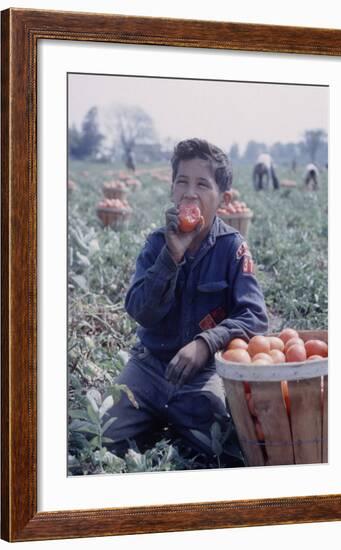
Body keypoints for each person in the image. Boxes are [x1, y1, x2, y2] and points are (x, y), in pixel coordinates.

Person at [105, 138, 268, 463]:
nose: (190, 193)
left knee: (226, 447)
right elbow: (140, 311)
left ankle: (171, 425)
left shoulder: (232, 248)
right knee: (102, 432)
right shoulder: (155, 244)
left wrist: (207, 343)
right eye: (182, 182)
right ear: (172, 190)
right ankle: (156, 422)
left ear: (222, 199)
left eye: (202, 184)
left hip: (202, 374)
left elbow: (255, 316)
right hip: (148, 367)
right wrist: (171, 255)